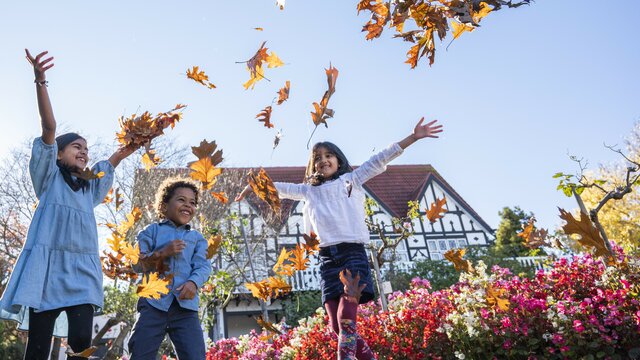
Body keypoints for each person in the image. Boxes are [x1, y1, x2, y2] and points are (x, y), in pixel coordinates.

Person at [236, 117, 443, 360]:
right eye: (318, 158)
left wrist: (412, 137)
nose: (323, 160)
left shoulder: (352, 180)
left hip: (352, 254)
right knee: (337, 326)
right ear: (313, 166)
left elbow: (380, 159)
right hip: (326, 260)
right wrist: (255, 186)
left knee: (346, 318)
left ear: (338, 160)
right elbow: (281, 188)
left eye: (328, 156)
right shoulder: (309, 191)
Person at [0, 49, 136, 359]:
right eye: (77, 146)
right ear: (59, 154)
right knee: (38, 346)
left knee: (79, 342)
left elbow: (112, 161)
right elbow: (49, 128)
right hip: (46, 270)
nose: (84, 152)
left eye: (87, 149)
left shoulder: (89, 189)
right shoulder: (48, 177)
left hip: (82, 270)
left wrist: (129, 147)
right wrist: (40, 81)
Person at [128, 178, 212, 360]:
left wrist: (193, 282)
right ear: (164, 206)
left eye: (192, 202)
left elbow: (203, 266)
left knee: (195, 355)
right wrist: (162, 252)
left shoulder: (197, 238)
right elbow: (136, 263)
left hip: (185, 308)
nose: (188, 205)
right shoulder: (150, 232)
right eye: (181, 200)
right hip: (153, 304)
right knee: (140, 353)